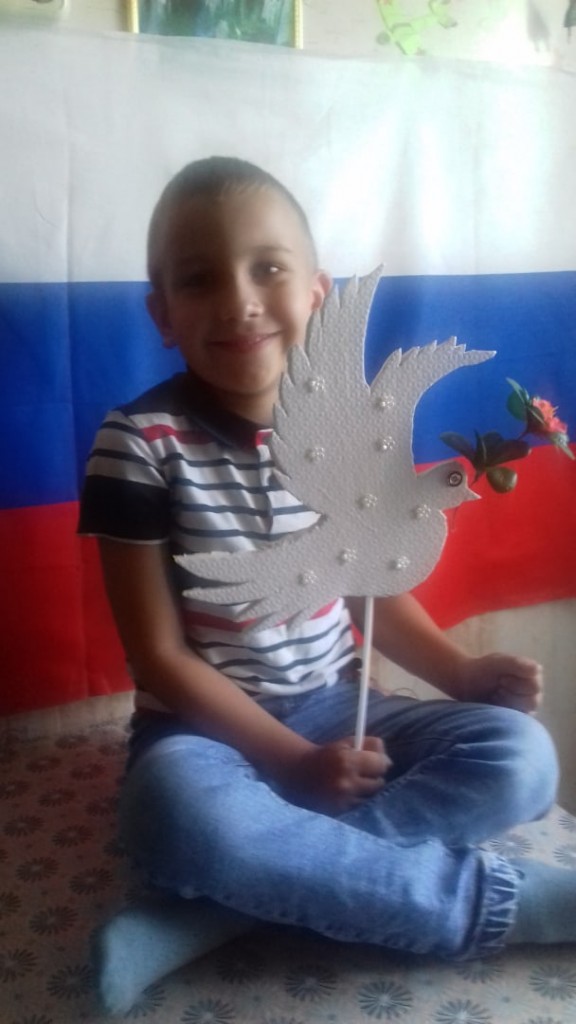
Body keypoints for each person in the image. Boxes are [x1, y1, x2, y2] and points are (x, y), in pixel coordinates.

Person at [79, 156, 574, 1017]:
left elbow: (364, 585)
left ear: (317, 293)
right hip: (206, 737)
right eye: (199, 279)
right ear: (162, 314)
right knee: (169, 818)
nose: (239, 300)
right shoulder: (139, 442)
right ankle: (499, 906)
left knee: (522, 760)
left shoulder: (346, 437)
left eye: (268, 268)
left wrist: (458, 673)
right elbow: (158, 658)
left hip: (341, 705)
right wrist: (291, 763)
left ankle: (207, 918)